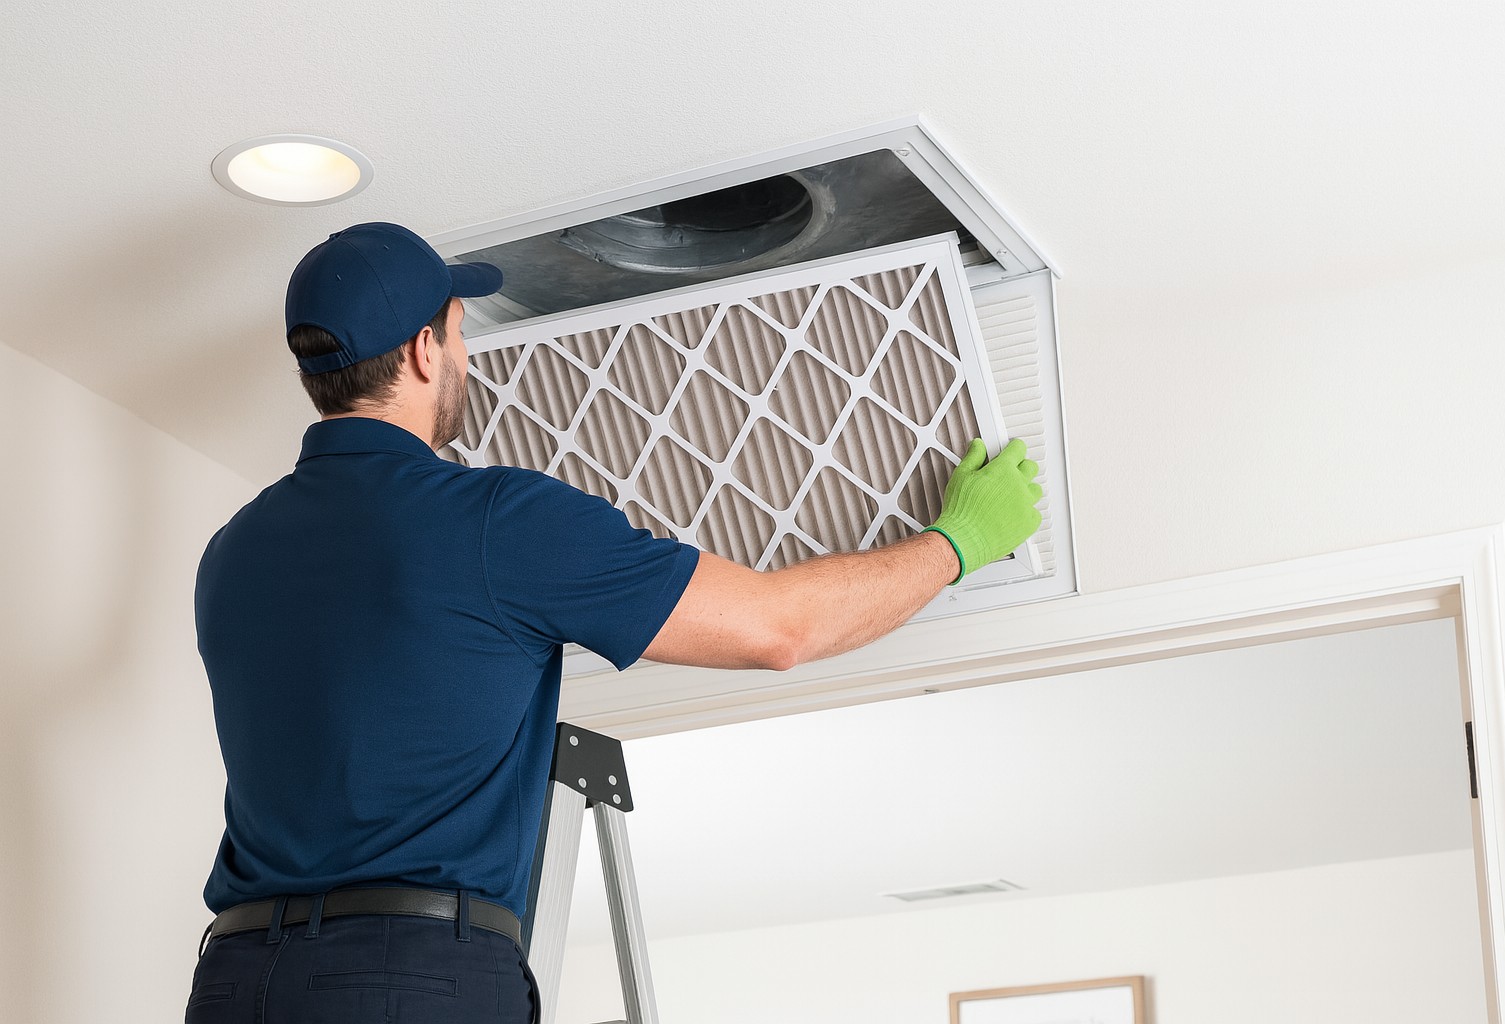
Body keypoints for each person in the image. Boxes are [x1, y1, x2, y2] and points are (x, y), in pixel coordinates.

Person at [185, 222, 1043, 1023]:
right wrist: (957, 541)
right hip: (407, 975)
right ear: (422, 351)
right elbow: (779, 630)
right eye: (458, 330)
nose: (465, 355)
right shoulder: (495, 521)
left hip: (235, 980)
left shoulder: (231, 554)